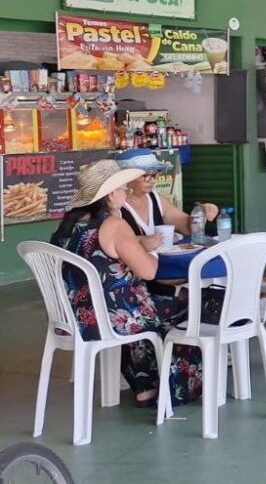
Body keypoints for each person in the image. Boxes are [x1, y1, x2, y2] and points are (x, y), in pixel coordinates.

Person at [52, 159, 216, 408]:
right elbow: (149, 272)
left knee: (137, 304)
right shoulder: (114, 225)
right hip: (112, 319)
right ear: (109, 195)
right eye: (121, 188)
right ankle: (181, 387)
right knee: (193, 303)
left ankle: (145, 386)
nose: (126, 192)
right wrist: (147, 249)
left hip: (74, 318)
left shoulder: (68, 227)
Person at [116, 148, 218, 248]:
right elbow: (114, 242)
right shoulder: (115, 205)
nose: (152, 181)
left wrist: (201, 213)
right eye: (146, 175)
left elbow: (187, 227)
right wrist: (143, 241)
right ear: (126, 177)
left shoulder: (154, 198)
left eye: (154, 175)